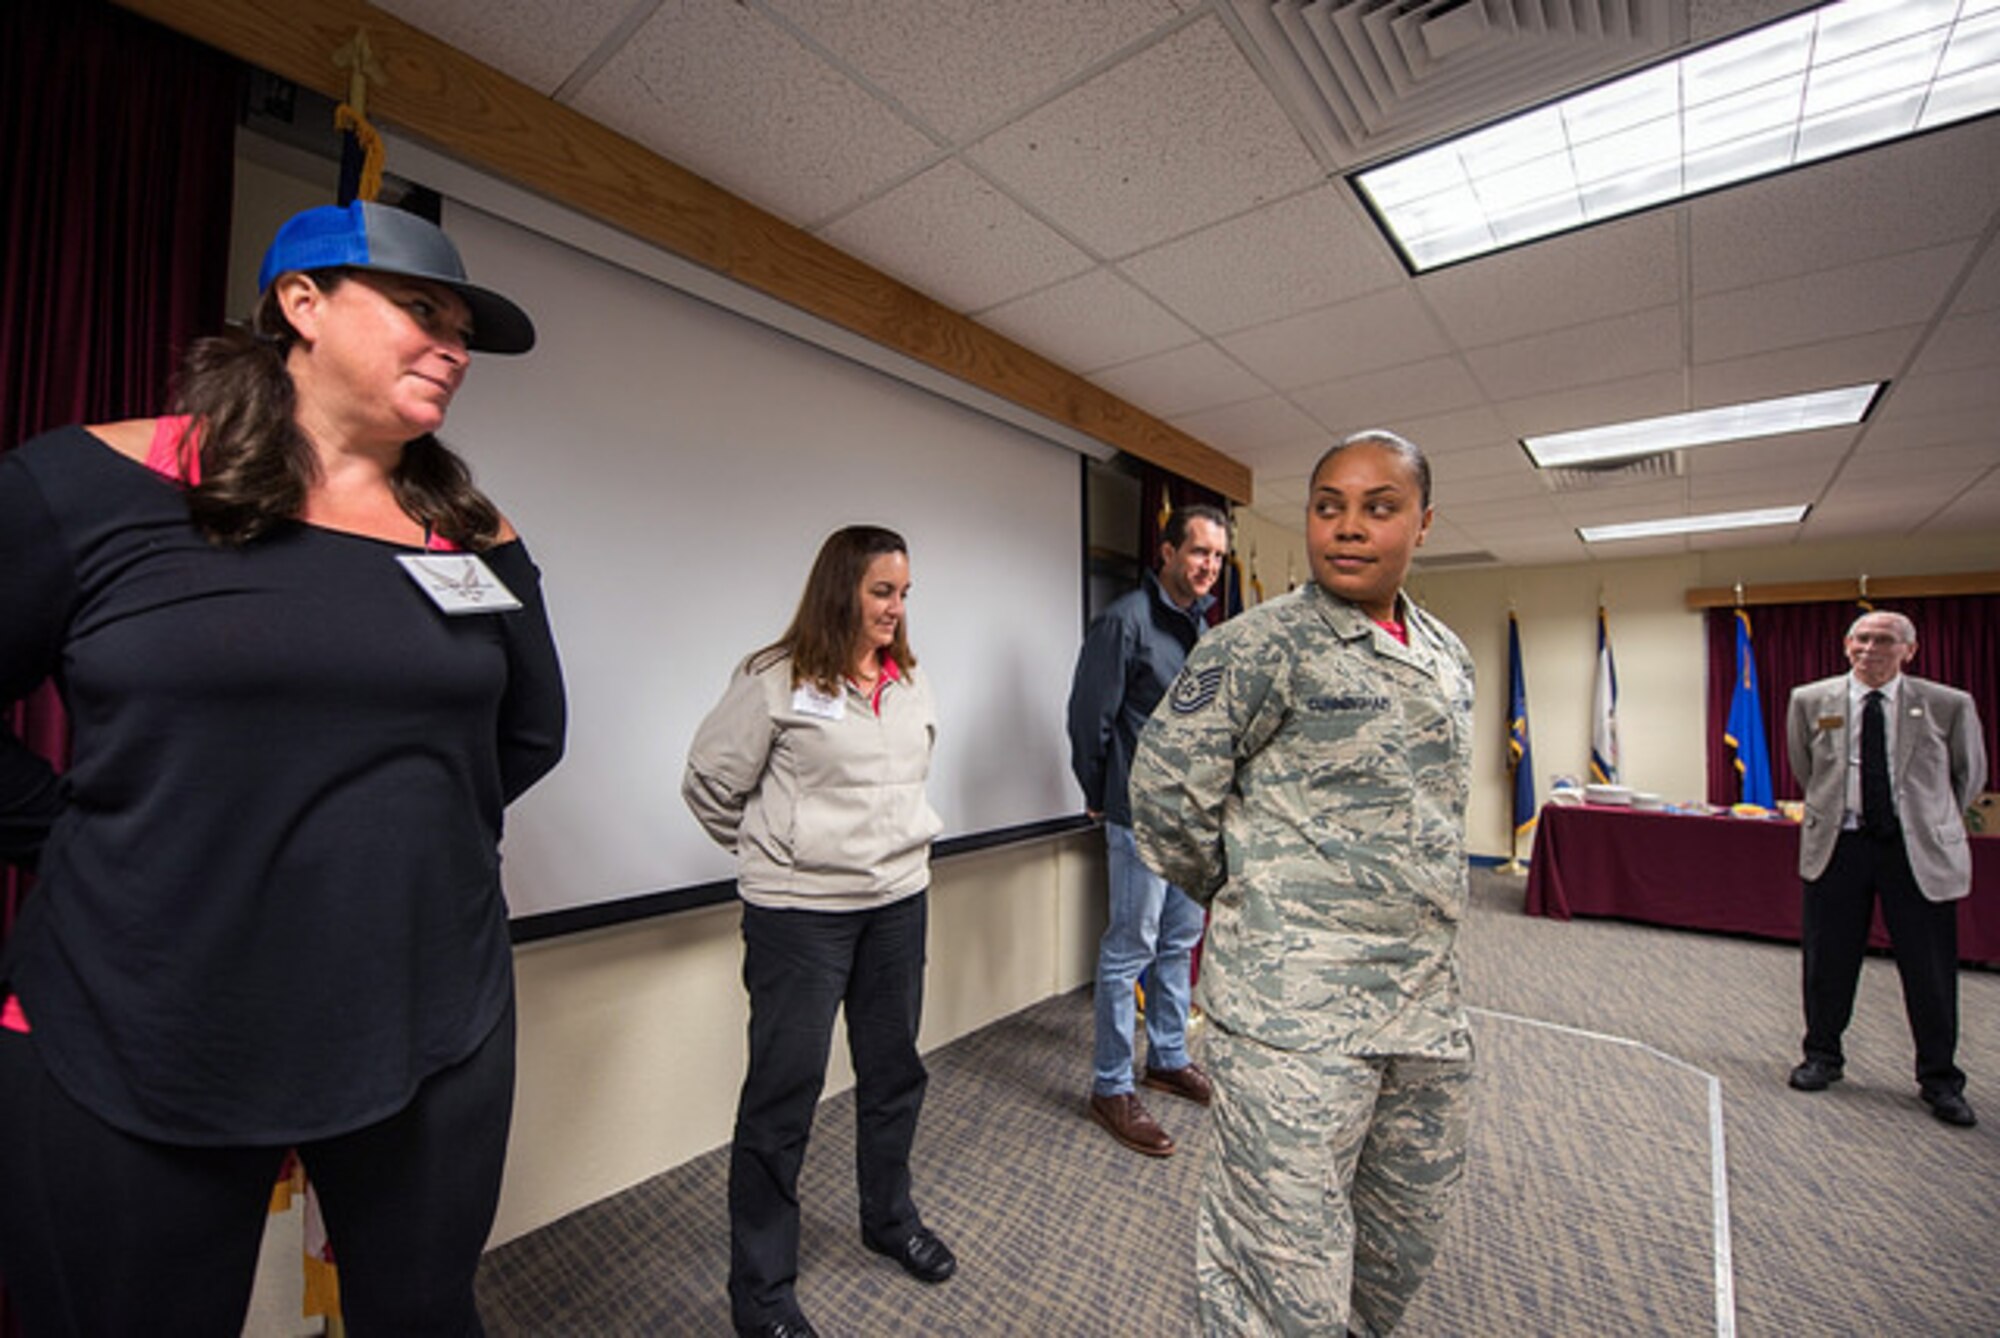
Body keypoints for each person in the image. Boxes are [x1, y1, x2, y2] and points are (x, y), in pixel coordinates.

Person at [0, 199, 567, 1334]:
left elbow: (529, 732)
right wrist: (85, 834)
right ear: (300, 304)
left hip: (428, 1014)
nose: (453, 347)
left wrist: (389, 843)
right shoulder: (88, 486)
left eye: (463, 328)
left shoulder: (469, 529)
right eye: (421, 310)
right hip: (152, 1017)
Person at [1129, 430, 1475, 1338]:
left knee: (1397, 1244)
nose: (1348, 528)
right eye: (1329, 506)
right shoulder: (1257, 647)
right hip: (1294, 1020)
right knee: (1280, 1268)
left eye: (1379, 506)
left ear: (1424, 524)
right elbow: (1165, 799)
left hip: (1422, 1012)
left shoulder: (1447, 657)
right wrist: (1257, 901)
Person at [683, 525, 954, 1338]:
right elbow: (708, 785)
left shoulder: (908, 677)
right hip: (800, 919)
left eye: (904, 593)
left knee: (894, 1075)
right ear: (841, 589)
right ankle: (761, 1294)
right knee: (782, 1099)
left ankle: (889, 1218)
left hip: (898, 902)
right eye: (882, 592)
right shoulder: (773, 679)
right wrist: (780, 857)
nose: (896, 609)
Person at [1067, 502, 1229, 1156]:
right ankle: (1111, 1085)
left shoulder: (1204, 630)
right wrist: (1099, 794)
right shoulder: (1124, 624)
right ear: (1164, 552)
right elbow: (1088, 720)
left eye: (1217, 558)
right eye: (1198, 553)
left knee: (1178, 940)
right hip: (1139, 818)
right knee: (1128, 948)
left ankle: (1165, 1056)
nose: (1208, 568)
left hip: (1194, 818)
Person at [1784, 609, 1987, 1128]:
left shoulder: (1946, 704)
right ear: (1847, 645)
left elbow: (1967, 777)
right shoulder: (1810, 700)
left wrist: (1924, 820)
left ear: (1909, 650)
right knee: (1827, 960)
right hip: (1841, 844)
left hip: (1914, 849)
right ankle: (1822, 1056)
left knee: (1930, 970)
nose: (1870, 649)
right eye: (1862, 639)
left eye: (1884, 640)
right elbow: (1807, 769)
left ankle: (1940, 1078)